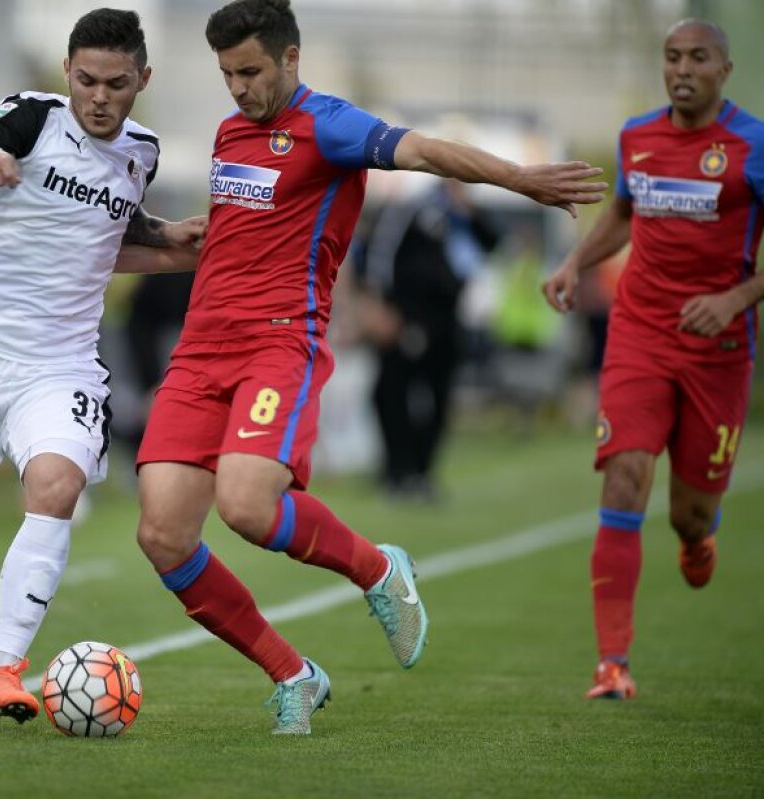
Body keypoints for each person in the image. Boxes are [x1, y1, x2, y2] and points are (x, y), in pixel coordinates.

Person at [134, 0, 606, 735]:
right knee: (162, 535)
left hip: (277, 344)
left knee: (248, 505)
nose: (238, 87)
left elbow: (425, 151)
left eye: (251, 70)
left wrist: (520, 179)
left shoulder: (330, 125)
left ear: (292, 58)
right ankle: (293, 672)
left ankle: (377, 569)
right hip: (200, 349)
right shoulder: (231, 132)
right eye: (227, 73)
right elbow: (243, 232)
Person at [0, 8, 206, 726]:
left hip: (60, 364)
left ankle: (2, 670)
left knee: (55, 487)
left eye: (117, 83)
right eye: (86, 79)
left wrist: (176, 242)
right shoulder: (30, 117)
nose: (100, 96)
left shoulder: (141, 153)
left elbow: (105, 236)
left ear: (142, 79)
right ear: (67, 72)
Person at [542, 19, 764, 701]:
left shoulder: (751, 145)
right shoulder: (638, 136)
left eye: (698, 57)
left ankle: (699, 537)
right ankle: (612, 663)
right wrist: (576, 261)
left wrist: (737, 298)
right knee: (624, 477)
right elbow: (623, 212)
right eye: (672, 57)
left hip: (719, 350)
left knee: (689, 515)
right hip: (639, 333)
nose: (682, 69)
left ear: (724, 69)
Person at [361, 179, 499, 500]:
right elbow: (381, 252)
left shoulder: (463, 212)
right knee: (391, 394)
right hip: (406, 317)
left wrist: (469, 211)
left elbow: (492, 243)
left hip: (448, 320)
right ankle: (396, 470)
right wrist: (380, 306)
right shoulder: (413, 206)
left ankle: (422, 472)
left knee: (439, 398)